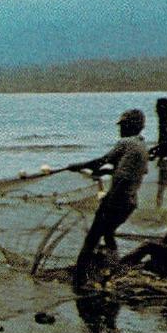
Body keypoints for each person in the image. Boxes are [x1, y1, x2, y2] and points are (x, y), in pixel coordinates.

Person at [65, 108, 149, 285]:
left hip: (116, 200)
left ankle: (79, 278)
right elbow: (128, 170)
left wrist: (77, 166)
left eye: (123, 125)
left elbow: (102, 161)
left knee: (92, 238)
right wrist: (104, 171)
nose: (120, 129)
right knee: (108, 233)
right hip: (130, 202)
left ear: (131, 126)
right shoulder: (142, 146)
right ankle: (114, 268)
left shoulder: (126, 142)